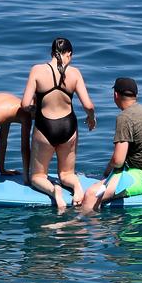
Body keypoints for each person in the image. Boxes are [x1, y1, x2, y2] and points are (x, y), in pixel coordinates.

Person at [20, 37, 96, 213]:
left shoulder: (37, 70)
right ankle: (77, 187)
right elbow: (88, 105)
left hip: (45, 127)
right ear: (68, 53)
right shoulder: (75, 73)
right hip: (69, 127)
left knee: (38, 176)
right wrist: (91, 118)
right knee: (67, 174)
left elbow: (25, 104)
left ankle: (54, 191)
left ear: (51, 53)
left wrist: (33, 110)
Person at [78, 76, 142, 214]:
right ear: (136, 95)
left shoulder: (124, 117)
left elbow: (118, 160)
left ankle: (85, 231)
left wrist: (107, 172)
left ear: (115, 95)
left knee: (91, 195)